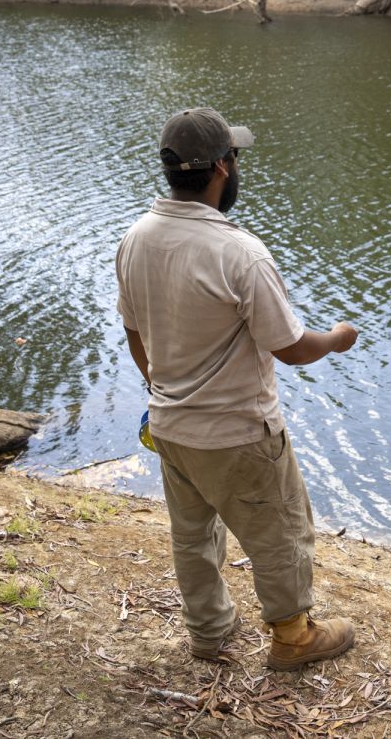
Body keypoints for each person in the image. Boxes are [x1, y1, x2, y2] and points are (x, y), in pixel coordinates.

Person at [115, 107, 358, 670]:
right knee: (280, 529)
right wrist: (337, 338)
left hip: (171, 428)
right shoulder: (240, 253)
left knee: (193, 535)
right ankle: (293, 637)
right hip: (239, 433)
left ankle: (208, 630)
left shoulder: (135, 238)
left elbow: (134, 332)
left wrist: (164, 390)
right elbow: (292, 348)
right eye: (236, 158)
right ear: (223, 167)